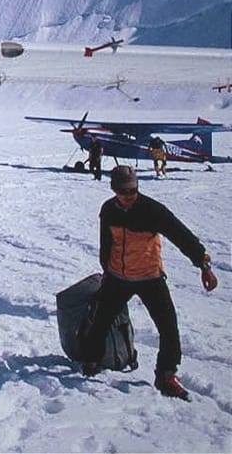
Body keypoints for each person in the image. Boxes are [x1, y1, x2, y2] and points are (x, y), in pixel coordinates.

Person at [80, 165, 218, 399]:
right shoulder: (108, 210)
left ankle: (166, 375)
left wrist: (203, 264)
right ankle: (92, 361)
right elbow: (106, 244)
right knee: (101, 320)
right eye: (124, 191)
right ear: (115, 189)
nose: (129, 195)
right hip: (118, 277)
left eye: (132, 190)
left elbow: (181, 235)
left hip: (149, 277)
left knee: (168, 327)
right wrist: (107, 271)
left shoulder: (152, 210)